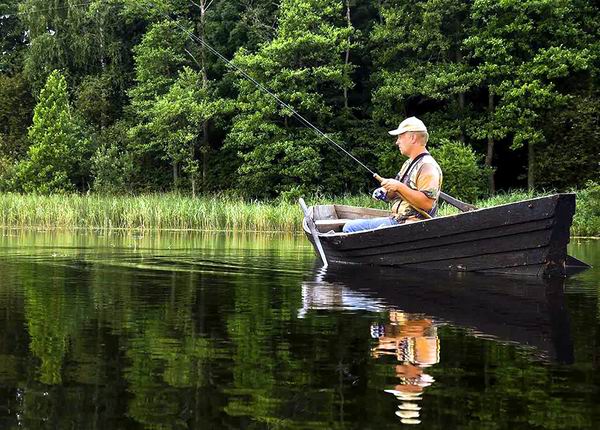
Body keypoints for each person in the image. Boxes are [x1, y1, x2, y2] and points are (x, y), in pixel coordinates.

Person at [342, 117, 443, 233]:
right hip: (398, 221)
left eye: (400, 136)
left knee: (350, 227)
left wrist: (399, 186)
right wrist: (385, 192)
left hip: (411, 226)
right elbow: (398, 192)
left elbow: (427, 203)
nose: (397, 141)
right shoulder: (409, 163)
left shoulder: (427, 167)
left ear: (413, 138)